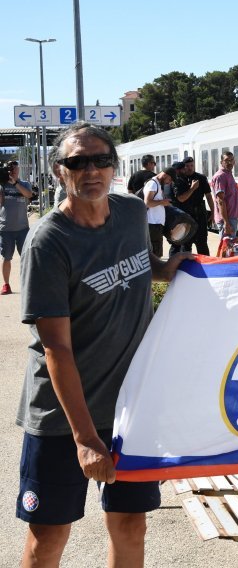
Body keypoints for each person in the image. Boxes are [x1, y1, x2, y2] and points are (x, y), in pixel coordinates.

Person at [15, 122, 190, 568]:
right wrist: (86, 438)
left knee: (131, 525)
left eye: (100, 160)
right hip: (63, 418)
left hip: (129, 410)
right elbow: (56, 348)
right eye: (77, 162)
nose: (90, 170)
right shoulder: (50, 241)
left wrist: (164, 269)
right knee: (49, 537)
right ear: (59, 172)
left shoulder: (131, 212)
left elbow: (136, 259)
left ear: (114, 166)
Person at [1, 161, 33, 295]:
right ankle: (6, 285)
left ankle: (28, 284)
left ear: (19, 169)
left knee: (26, 257)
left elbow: (29, 195)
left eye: (15, 168)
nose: (13, 170)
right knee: (6, 257)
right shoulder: (2, 185)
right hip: (6, 228)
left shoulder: (24, 184)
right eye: (10, 168)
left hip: (22, 229)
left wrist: (15, 183)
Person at [171, 157, 213, 256]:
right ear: (183, 167)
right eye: (187, 166)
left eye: (192, 166)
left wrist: (213, 212)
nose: (190, 168)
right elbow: (181, 198)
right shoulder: (179, 179)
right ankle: (186, 268)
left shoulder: (201, 178)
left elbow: (208, 196)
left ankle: (206, 266)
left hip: (200, 215)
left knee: (202, 243)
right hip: (186, 217)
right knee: (186, 245)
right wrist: (192, 188)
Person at [143, 168, 175, 258]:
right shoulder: (153, 184)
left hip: (155, 224)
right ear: (165, 175)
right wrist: (162, 202)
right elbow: (147, 202)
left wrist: (163, 202)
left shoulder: (157, 184)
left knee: (156, 254)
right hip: (152, 224)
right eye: (170, 179)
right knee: (155, 255)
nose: (170, 182)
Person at [211, 151, 238, 237]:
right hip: (226, 219)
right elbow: (220, 201)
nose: (229, 162)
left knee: (229, 248)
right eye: (226, 160)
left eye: (231, 160)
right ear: (221, 162)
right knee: (226, 247)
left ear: (234, 161)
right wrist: (226, 222)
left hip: (231, 217)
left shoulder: (228, 174)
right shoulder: (220, 176)